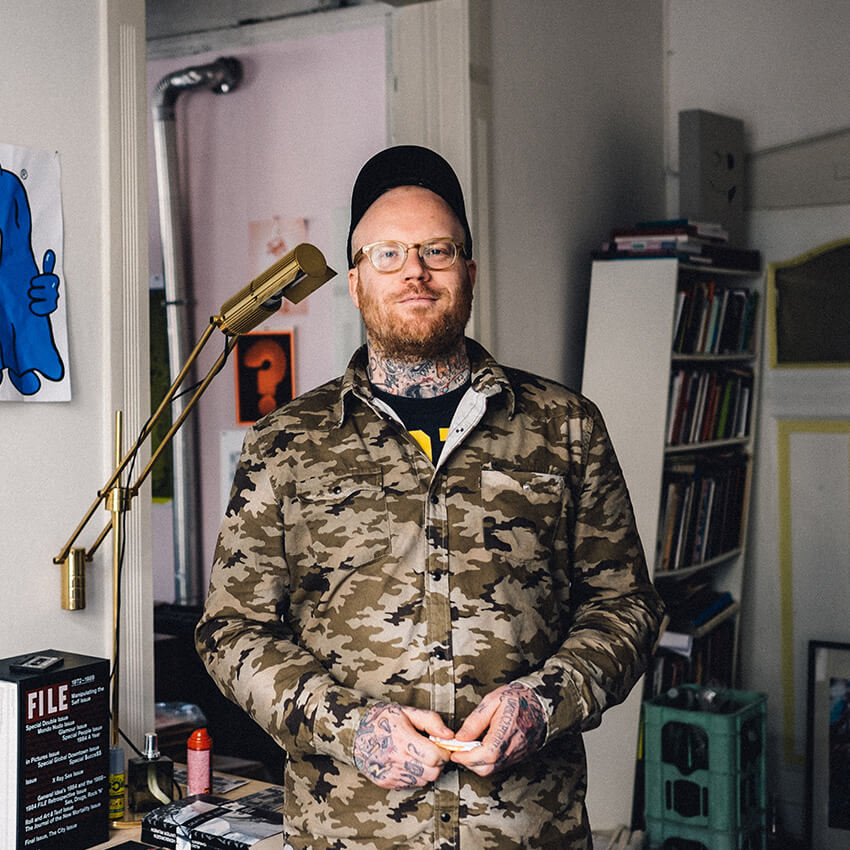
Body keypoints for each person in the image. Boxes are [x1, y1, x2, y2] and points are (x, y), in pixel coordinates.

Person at [196, 145, 664, 849]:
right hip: (349, 834)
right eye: (387, 253)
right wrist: (349, 727)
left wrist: (546, 702)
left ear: (469, 274)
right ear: (356, 283)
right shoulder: (284, 443)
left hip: (527, 832)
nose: (414, 270)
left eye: (437, 250)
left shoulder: (566, 427)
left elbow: (627, 606)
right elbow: (232, 631)